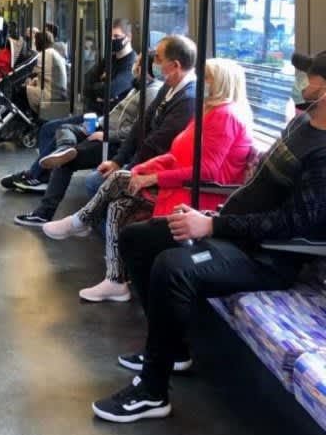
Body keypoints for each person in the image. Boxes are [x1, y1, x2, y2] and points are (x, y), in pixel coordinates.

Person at [91, 50, 326, 424]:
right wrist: (213, 216)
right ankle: (172, 350)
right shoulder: (301, 125)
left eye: (312, 78)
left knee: (173, 266)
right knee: (138, 238)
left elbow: (293, 223)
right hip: (232, 227)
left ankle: (152, 391)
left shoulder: (323, 152)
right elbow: (257, 188)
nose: (303, 83)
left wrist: (213, 227)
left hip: (266, 256)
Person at [44, 57, 254, 303]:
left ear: (220, 83)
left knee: (118, 181)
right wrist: (144, 168)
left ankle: (82, 222)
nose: (201, 84)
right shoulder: (207, 113)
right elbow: (177, 154)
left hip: (201, 196)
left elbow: (206, 171)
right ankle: (114, 278)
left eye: (206, 79)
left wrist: (154, 177)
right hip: (182, 184)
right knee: (119, 204)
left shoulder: (225, 116)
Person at [13, 52, 162, 226]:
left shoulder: (151, 93)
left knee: (66, 162)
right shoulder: (138, 87)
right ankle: (64, 148)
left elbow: (138, 130)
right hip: (102, 127)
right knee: (64, 128)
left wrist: (106, 135)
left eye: (137, 63)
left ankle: (43, 213)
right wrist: (98, 123)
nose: (134, 66)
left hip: (114, 142)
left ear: (145, 68)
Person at [84, 19, 137, 115]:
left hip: (109, 116)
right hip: (93, 112)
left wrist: (100, 87)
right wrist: (100, 91)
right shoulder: (109, 59)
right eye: (110, 36)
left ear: (129, 37)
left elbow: (111, 91)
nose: (112, 39)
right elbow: (86, 83)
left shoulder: (133, 62)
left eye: (116, 36)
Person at [11, 31, 68, 116]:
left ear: (39, 42)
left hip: (49, 96)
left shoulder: (43, 55)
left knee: (17, 91)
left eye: (35, 41)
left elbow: (27, 70)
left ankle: (23, 117)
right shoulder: (54, 53)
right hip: (59, 95)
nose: (34, 43)